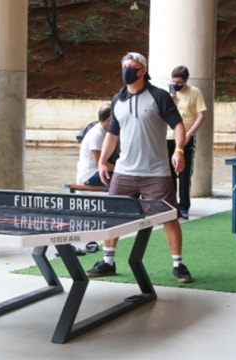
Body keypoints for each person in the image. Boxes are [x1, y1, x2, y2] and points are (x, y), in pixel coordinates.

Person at [86, 52, 193, 283]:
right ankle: (108, 261)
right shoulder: (117, 99)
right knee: (111, 213)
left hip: (156, 172)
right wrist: (103, 161)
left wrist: (179, 150)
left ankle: (178, 264)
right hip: (124, 171)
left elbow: (178, 126)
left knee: (169, 216)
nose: (127, 69)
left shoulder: (159, 96)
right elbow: (112, 134)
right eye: (124, 65)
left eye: (132, 66)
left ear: (143, 70)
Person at [165, 65, 207, 219]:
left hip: (186, 137)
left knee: (184, 172)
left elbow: (202, 114)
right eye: (174, 81)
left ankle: (184, 206)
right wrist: (170, 101)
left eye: (179, 82)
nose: (176, 85)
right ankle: (171, 205)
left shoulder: (194, 92)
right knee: (169, 172)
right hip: (169, 136)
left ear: (186, 81)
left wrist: (190, 133)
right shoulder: (169, 94)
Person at [77, 104, 115, 186]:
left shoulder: (104, 131)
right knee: (124, 179)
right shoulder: (97, 134)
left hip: (98, 172)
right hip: (91, 176)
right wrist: (119, 169)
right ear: (109, 120)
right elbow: (99, 163)